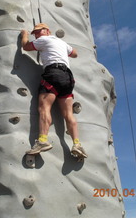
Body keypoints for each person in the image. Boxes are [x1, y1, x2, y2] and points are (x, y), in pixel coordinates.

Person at [21, 23, 87, 158]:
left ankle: (43, 141)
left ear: (47, 31)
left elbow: (26, 47)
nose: (37, 34)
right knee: (68, 113)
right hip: (67, 77)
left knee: (44, 108)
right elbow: (75, 54)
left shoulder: (43, 40)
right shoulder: (61, 42)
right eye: (35, 33)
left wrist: (24, 35)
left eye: (39, 31)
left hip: (53, 73)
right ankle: (77, 144)